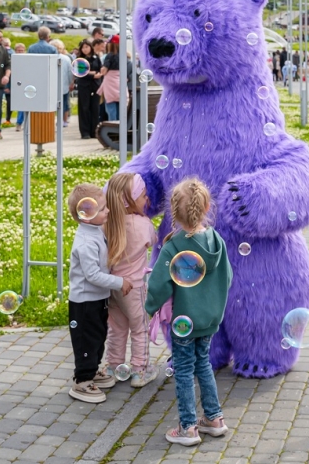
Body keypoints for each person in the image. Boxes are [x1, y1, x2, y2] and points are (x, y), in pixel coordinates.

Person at [145, 178, 232, 446]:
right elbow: (227, 278)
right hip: (208, 319)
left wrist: (149, 307)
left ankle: (188, 428)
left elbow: (159, 284)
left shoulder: (174, 246)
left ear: (173, 212)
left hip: (184, 321)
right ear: (206, 207)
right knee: (203, 364)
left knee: (183, 369)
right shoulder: (216, 241)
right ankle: (215, 419)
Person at [66, 183, 133, 403]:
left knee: (97, 336)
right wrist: (118, 281)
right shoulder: (85, 242)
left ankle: (92, 370)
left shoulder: (94, 230)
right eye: (103, 209)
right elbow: (92, 275)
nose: (108, 211)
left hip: (97, 299)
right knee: (87, 340)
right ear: (86, 215)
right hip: (84, 303)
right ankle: (82, 381)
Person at [103, 173, 158, 388]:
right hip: (134, 288)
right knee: (140, 327)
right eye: (143, 196)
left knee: (116, 327)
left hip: (113, 286)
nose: (147, 200)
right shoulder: (142, 224)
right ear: (131, 200)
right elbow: (152, 241)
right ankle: (139, 370)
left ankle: (112, 366)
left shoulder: (108, 224)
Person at [97, 35, 131, 121]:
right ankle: (121, 130)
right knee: (121, 110)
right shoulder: (125, 56)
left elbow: (104, 71)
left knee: (111, 110)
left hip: (110, 84)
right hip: (121, 82)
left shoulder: (110, 55)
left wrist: (101, 69)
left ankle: (113, 130)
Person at [75, 40, 102, 139]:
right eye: (83, 47)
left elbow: (100, 69)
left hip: (95, 85)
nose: (85, 49)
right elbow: (81, 72)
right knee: (84, 108)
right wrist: (92, 74)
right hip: (84, 86)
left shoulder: (96, 58)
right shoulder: (79, 59)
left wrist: (98, 74)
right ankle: (85, 132)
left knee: (95, 108)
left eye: (87, 47)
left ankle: (94, 131)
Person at [50, 39, 74, 127]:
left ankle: (53, 120)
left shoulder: (49, 57)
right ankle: (64, 121)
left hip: (52, 85)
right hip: (64, 84)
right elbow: (70, 72)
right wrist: (71, 82)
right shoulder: (66, 58)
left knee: (52, 104)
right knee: (65, 103)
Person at [12, 43, 26, 131]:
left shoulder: (27, 60)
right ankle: (19, 122)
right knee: (20, 106)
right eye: (18, 51)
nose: (20, 52)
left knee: (24, 106)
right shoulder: (12, 60)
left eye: (22, 51)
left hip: (24, 85)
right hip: (16, 85)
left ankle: (22, 122)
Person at [2, 39, 14, 123]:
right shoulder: (13, 53)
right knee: (9, 102)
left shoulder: (3, 53)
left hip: (5, 80)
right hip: (10, 81)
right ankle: (8, 119)